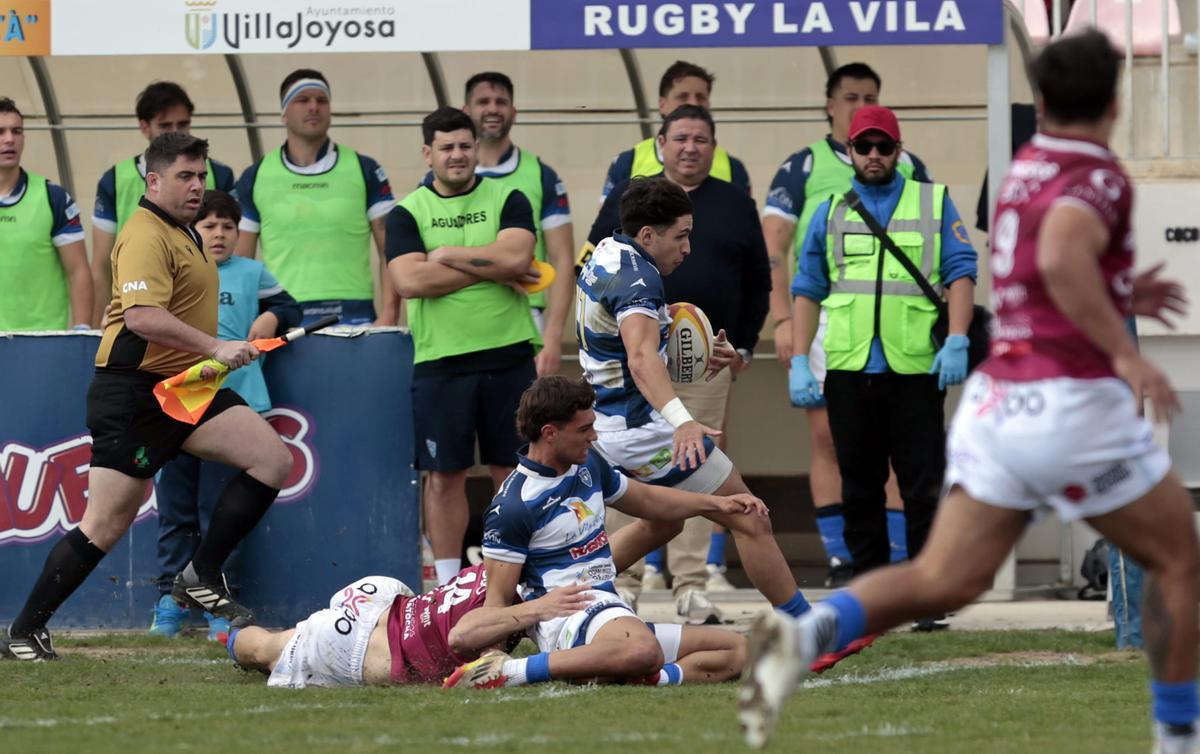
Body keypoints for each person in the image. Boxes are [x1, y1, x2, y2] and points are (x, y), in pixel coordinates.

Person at [740, 30, 1200, 754]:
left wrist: (1121, 284)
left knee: (943, 578)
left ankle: (805, 634)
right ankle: (1178, 738)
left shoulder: (1026, 166)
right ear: (1114, 104)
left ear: (1042, 102)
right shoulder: (1099, 172)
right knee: (1179, 557)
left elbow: (1047, 261)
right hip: (1070, 402)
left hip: (999, 404)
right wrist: (1124, 350)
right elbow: (1062, 257)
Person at [0, 133, 293, 661]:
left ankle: (201, 572)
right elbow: (141, 318)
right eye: (185, 176)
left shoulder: (187, 232)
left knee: (272, 458)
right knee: (106, 523)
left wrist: (214, 355)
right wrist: (215, 346)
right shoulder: (143, 234)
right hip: (134, 390)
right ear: (152, 181)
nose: (196, 186)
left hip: (185, 384)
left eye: (201, 176)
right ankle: (25, 631)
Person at [575, 177, 826, 632]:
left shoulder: (609, 253)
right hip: (641, 432)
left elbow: (627, 335)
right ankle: (808, 630)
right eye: (682, 235)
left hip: (609, 425)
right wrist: (683, 422)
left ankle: (574, 590)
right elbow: (639, 355)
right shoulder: (639, 278)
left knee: (664, 523)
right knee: (748, 513)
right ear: (648, 235)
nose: (688, 248)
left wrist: (704, 347)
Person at [585, 105, 771, 620]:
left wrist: (742, 342)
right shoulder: (630, 204)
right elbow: (598, 268)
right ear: (661, 142)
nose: (691, 147)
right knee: (634, 474)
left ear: (715, 146)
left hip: (699, 359)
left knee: (696, 466)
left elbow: (759, 275)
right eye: (681, 137)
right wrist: (645, 321)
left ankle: (691, 586)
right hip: (633, 370)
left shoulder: (733, 200)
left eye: (702, 138)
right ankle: (619, 587)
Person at [787, 105, 977, 597]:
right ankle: (869, 593)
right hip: (850, 369)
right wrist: (798, 360)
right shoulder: (830, 210)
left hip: (915, 368)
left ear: (899, 150)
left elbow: (961, 272)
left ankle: (928, 590)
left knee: (921, 486)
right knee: (860, 485)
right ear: (848, 150)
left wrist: (958, 338)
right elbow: (807, 288)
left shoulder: (933, 202)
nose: (874, 155)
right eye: (863, 146)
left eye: (884, 147)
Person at [477, 375, 771, 687]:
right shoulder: (512, 506)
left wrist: (717, 504)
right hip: (566, 619)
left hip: (606, 605)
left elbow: (646, 499)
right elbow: (497, 600)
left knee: (737, 649)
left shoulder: (589, 463)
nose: (594, 436)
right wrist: (490, 659)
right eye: (584, 429)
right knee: (642, 649)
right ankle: (518, 671)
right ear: (550, 433)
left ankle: (643, 677)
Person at [763, 63, 933, 586]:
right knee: (831, 442)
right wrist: (785, 320)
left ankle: (903, 559)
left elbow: (937, 249)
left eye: (871, 97)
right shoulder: (802, 166)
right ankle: (843, 557)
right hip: (832, 330)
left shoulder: (913, 168)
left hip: (902, 336)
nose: (861, 105)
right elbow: (775, 249)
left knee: (901, 451)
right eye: (851, 97)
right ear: (829, 106)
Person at [225, 525, 747, 688]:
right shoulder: (530, 584)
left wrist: (701, 497)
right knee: (267, 649)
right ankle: (231, 633)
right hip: (374, 644)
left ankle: (237, 635)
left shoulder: (534, 562)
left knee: (278, 643)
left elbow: (637, 538)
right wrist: (537, 610)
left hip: (398, 607)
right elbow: (463, 638)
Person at [385, 107, 542, 587]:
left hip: (509, 354)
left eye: (465, 145)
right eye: (447, 147)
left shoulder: (508, 196)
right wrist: (493, 265)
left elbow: (518, 254)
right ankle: (449, 582)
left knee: (513, 472)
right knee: (445, 476)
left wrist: (448, 255)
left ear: (477, 148)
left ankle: (513, 575)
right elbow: (409, 279)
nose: (457, 155)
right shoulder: (407, 212)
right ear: (428, 153)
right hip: (440, 362)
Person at [147, 190, 301, 640]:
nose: (218, 234)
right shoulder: (178, 269)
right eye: (208, 225)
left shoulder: (253, 273)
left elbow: (291, 307)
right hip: (175, 406)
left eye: (227, 226)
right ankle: (167, 602)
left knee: (222, 513)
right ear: (192, 229)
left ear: (240, 233)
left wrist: (272, 319)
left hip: (235, 411)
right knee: (177, 510)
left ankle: (216, 599)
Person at [234, 69, 397, 327]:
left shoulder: (365, 168)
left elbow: (390, 248)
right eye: (303, 100)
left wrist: (389, 313)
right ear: (283, 114)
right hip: (283, 317)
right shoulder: (254, 176)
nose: (314, 107)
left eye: (321, 100)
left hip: (355, 316)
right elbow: (240, 263)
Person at [456, 71, 575, 377]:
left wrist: (552, 336)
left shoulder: (541, 175)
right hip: (457, 316)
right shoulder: (439, 177)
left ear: (513, 112)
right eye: (483, 101)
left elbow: (562, 259)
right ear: (466, 111)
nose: (492, 108)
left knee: (520, 423)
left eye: (501, 102)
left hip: (524, 320)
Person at [91, 81, 236, 327]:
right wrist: (96, 324)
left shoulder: (220, 173)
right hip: (139, 300)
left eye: (183, 124)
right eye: (165, 126)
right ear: (144, 127)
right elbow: (102, 263)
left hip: (201, 305)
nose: (176, 132)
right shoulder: (114, 179)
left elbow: (234, 247)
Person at [599, 60, 751, 204]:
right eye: (682, 97)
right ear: (662, 105)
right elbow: (607, 225)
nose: (693, 103)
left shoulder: (733, 167)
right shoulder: (627, 162)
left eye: (701, 97)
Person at [0, 96, 92, 331]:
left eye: (16, 131)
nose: (9, 139)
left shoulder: (54, 198)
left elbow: (78, 270)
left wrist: (81, 329)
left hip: (41, 342)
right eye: (0, 131)